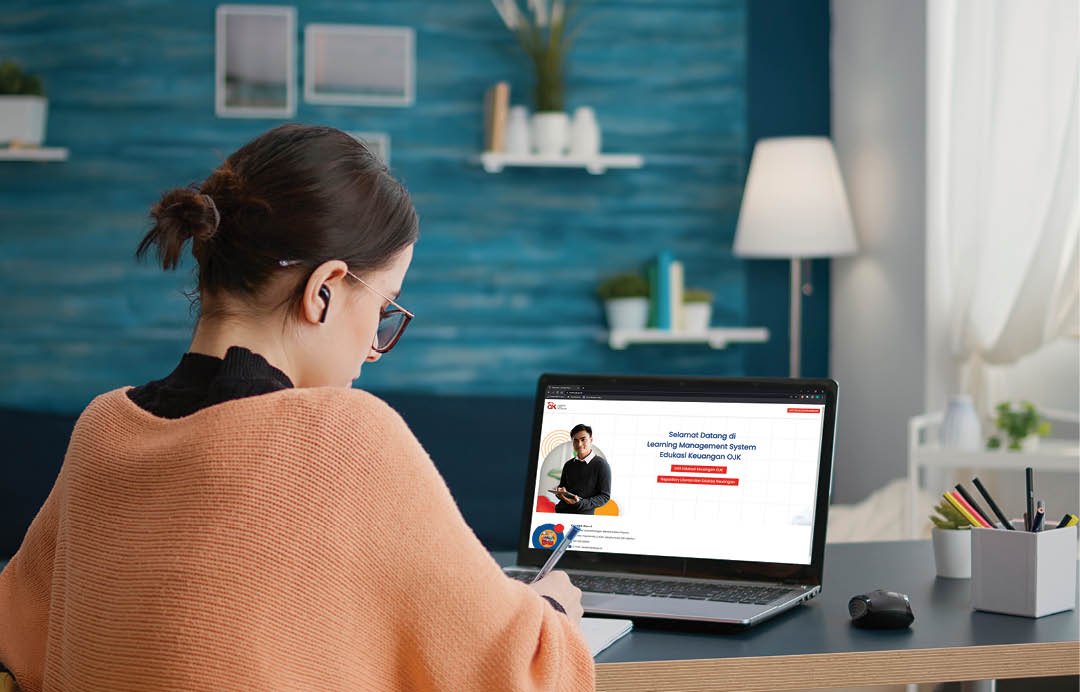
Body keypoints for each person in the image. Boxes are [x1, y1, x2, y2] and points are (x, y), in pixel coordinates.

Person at [0, 125, 592, 691]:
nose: (372, 347)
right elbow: (522, 675)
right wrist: (555, 610)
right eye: (385, 309)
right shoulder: (344, 436)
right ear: (324, 290)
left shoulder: (102, 428)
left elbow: (19, 635)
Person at [554, 424, 612, 515]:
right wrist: (560, 493)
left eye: (583, 439)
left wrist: (580, 503)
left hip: (583, 516)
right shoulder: (568, 465)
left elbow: (604, 496)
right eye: (575, 441)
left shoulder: (601, 465)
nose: (579, 444)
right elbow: (563, 487)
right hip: (561, 512)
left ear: (591, 440)